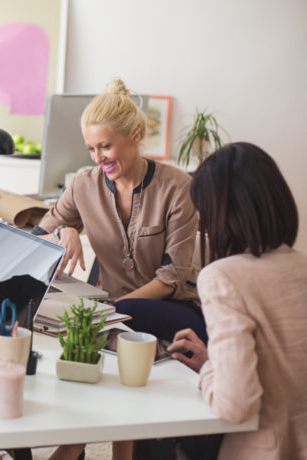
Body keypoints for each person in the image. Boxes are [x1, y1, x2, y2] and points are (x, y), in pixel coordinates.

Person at [40, 78, 202, 460]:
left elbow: (172, 276)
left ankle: (72, 448)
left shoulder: (177, 188)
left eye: (106, 146)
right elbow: (40, 231)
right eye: (92, 149)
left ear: (135, 135)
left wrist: (112, 311)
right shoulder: (84, 183)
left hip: (167, 309)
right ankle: (81, 446)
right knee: (70, 344)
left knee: (107, 337)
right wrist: (66, 229)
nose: (99, 157)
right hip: (109, 307)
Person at [168, 143, 307, 460]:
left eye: (203, 213)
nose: (202, 225)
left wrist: (208, 374)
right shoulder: (302, 265)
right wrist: (212, 361)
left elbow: (237, 405)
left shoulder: (222, 277)